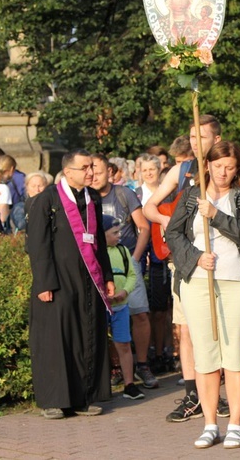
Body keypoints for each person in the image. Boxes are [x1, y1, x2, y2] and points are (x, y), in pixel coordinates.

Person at [165, 141, 240, 449]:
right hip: (198, 281)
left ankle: (235, 423)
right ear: (207, 165)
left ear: (237, 169)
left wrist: (216, 216)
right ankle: (210, 423)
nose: (223, 172)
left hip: (237, 280)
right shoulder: (190, 196)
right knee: (206, 353)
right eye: (218, 165)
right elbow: (173, 233)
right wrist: (196, 257)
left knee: (234, 351)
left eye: (230, 167)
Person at [142, 116, 228, 422]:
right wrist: (169, 223)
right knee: (188, 329)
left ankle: (216, 393)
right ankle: (194, 395)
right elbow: (149, 207)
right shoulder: (182, 170)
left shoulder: (225, 168)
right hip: (187, 261)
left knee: (221, 328)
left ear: (216, 140)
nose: (194, 142)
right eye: (192, 136)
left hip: (222, 260)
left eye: (201, 137)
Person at [26, 149, 115, 419]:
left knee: (86, 334)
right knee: (57, 338)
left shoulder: (93, 200)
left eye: (92, 166)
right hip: (57, 281)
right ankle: (54, 400)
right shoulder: (47, 199)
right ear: (68, 171)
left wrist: (107, 276)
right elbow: (37, 244)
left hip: (88, 281)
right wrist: (44, 283)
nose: (91, 172)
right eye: (85, 167)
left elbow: (98, 240)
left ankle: (84, 397)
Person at [91, 153, 157, 389]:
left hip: (126, 264)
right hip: (100, 268)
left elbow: (143, 227)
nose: (94, 176)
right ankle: (116, 367)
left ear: (109, 171)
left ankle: (142, 364)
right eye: (91, 171)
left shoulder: (123, 194)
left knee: (139, 314)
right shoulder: (87, 198)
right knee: (106, 319)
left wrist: (135, 259)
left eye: (98, 171)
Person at [136, 154, 172, 374]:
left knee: (165, 310)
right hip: (147, 256)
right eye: (145, 169)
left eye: (152, 169)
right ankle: (151, 353)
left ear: (160, 170)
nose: (149, 173)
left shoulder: (168, 191)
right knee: (149, 310)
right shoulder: (137, 195)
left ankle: (165, 352)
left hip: (165, 254)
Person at [102, 215, 145, 400]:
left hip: (121, 306)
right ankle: (102, 386)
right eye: (114, 233)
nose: (119, 235)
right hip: (102, 307)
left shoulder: (122, 251)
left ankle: (129, 384)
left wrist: (125, 292)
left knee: (124, 344)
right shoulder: (97, 252)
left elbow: (132, 275)